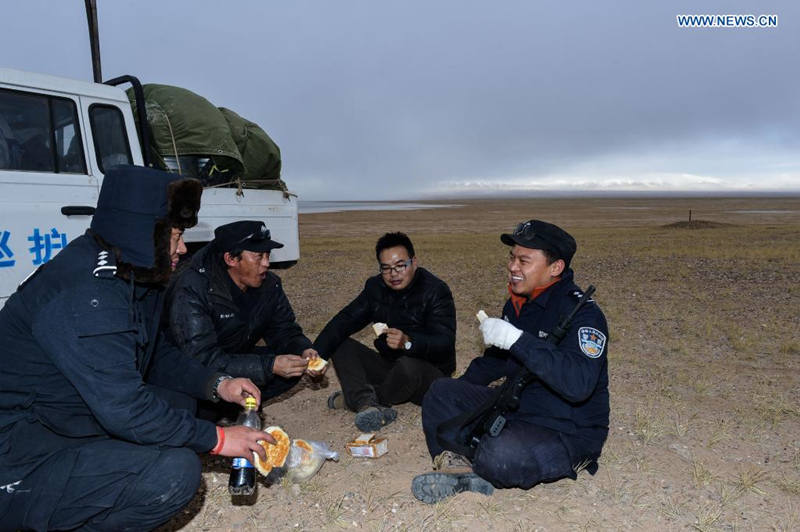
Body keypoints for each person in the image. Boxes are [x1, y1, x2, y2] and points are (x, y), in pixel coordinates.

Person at [0, 166, 271, 531]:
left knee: (181, 404)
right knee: (175, 473)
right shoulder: (88, 293)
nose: (183, 247)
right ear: (141, 232)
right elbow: (125, 408)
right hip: (18, 452)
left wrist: (217, 382)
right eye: (174, 235)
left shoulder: (131, 271)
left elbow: (152, 353)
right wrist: (219, 439)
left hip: (61, 416)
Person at [412, 220, 609, 504]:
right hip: (519, 405)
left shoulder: (583, 315)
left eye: (524, 260)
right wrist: (460, 402)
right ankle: (458, 462)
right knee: (440, 392)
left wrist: (518, 340)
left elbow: (579, 384)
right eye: (512, 257)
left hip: (566, 428)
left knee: (500, 453)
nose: (513, 267)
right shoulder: (518, 303)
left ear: (555, 268)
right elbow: (495, 363)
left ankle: (476, 465)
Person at [167, 220, 321, 420]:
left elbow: (284, 330)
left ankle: (235, 407)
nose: (266, 263)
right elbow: (201, 357)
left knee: (292, 365)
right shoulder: (193, 288)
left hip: (234, 356)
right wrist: (269, 366)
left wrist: (303, 349)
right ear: (231, 258)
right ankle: (212, 411)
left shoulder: (269, 285)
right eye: (258, 256)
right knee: (194, 404)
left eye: (267, 255)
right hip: (192, 372)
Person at [314, 232, 456, 432]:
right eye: (386, 268)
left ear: (414, 262)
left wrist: (408, 342)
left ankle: (356, 400)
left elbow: (445, 342)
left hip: (430, 375)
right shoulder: (376, 288)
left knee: (408, 366)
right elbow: (345, 320)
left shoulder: (436, 291)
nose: (393, 274)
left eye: (400, 265)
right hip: (390, 367)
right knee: (341, 343)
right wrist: (315, 356)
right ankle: (366, 404)